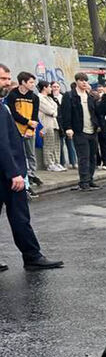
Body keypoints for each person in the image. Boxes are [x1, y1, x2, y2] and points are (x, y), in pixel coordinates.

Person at [0, 63, 62, 271]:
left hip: (9, 171)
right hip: (8, 174)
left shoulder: (2, 104)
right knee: (19, 216)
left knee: (20, 216)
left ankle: (32, 255)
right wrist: (15, 173)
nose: (8, 83)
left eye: (8, 78)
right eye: (3, 79)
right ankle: (32, 256)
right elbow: (2, 143)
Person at [59, 72, 101, 191]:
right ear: (76, 81)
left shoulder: (90, 96)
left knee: (93, 156)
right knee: (84, 157)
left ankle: (90, 179)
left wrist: (98, 125)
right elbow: (65, 113)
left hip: (92, 130)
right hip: (79, 131)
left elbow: (96, 111)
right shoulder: (70, 96)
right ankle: (84, 181)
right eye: (82, 80)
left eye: (86, 81)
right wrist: (68, 128)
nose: (84, 83)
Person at [6, 71, 40, 175]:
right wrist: (28, 122)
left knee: (31, 154)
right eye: (30, 82)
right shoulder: (12, 95)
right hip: (16, 129)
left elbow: (35, 115)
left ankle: (32, 174)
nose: (33, 85)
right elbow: (13, 114)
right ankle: (23, 173)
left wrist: (31, 128)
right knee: (20, 153)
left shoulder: (34, 97)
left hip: (29, 130)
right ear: (23, 82)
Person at [36, 80, 62, 172]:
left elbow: (56, 109)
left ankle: (56, 162)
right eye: (50, 87)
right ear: (44, 88)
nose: (51, 89)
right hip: (46, 124)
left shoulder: (50, 98)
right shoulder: (39, 98)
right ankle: (49, 164)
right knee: (48, 144)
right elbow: (49, 110)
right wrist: (53, 111)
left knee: (56, 144)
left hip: (54, 123)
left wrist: (53, 111)